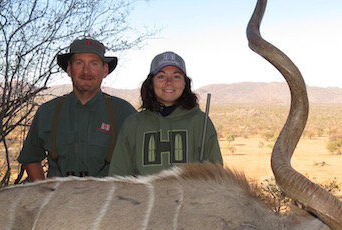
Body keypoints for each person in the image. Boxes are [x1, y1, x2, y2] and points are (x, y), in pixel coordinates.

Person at [19, 37, 136, 180]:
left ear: (104, 70)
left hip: (107, 199)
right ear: (69, 69)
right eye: (79, 63)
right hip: (58, 198)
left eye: (93, 63)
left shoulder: (124, 112)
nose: (86, 71)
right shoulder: (47, 111)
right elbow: (30, 158)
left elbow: (140, 162)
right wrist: (46, 195)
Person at [109, 51, 222, 176]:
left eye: (176, 76)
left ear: (185, 83)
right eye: (161, 76)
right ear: (151, 83)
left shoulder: (201, 122)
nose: (169, 82)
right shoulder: (133, 124)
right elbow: (118, 175)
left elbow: (216, 178)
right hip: (143, 195)